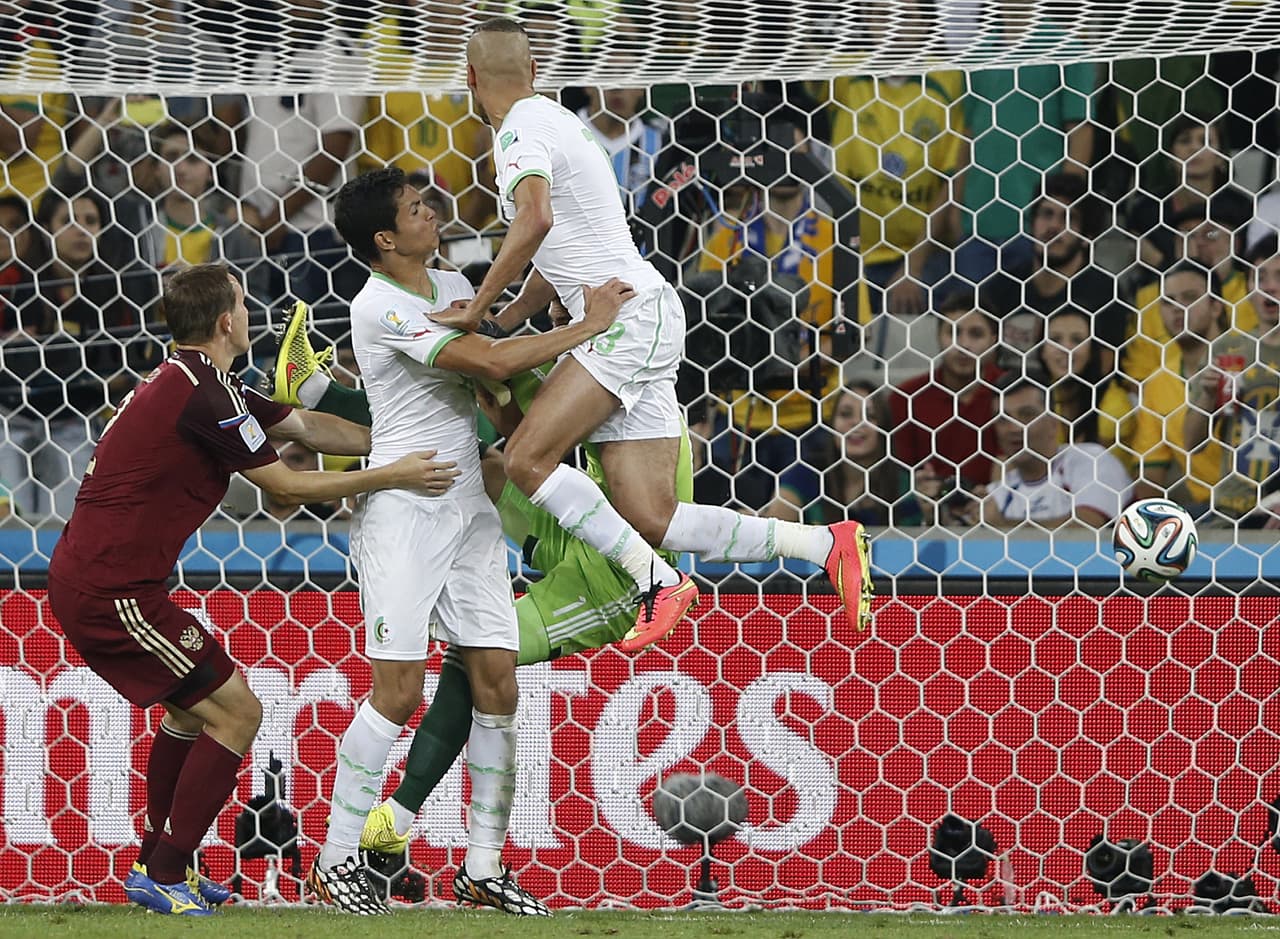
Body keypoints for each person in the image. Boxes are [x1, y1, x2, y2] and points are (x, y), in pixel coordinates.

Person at [436, 18, 871, 650]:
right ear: (534, 71)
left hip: (624, 323)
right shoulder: (558, 119)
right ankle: (822, 543)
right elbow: (558, 247)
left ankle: (655, 584)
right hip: (642, 312)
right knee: (649, 515)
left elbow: (533, 220)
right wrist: (511, 313)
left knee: (527, 459)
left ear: (471, 79)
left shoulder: (519, 131)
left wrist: (475, 311)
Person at [46, 262, 457, 916]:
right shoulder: (202, 394)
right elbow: (287, 486)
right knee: (238, 712)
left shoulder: (206, 383)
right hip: (111, 587)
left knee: (190, 711)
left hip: (108, 578)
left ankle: (156, 860)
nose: (248, 309)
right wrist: (394, 475)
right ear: (226, 321)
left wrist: (407, 444)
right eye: (242, 301)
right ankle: (166, 871)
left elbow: (309, 428)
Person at [265, 305, 700, 878]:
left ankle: (401, 814)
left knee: (479, 655)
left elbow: (525, 421)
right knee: (477, 458)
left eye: (566, 298)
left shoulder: (624, 370)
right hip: (570, 520)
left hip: (612, 578)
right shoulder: (587, 361)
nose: (555, 305)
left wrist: (491, 349)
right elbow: (515, 432)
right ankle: (315, 392)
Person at [305, 166, 630, 916]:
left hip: (470, 510)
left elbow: (488, 369)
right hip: (406, 511)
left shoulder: (449, 276)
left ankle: (483, 865)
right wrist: (589, 325)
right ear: (385, 239)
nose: (432, 212)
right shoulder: (379, 305)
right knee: (398, 691)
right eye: (417, 208)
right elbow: (484, 361)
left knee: (497, 680)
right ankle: (334, 858)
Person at [1183, 237, 1280, 525]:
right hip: (1231, 509)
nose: (1270, 287)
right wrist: (1207, 396)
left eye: (1279, 276)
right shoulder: (1226, 349)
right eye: (1260, 276)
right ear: (1248, 285)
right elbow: (1193, 442)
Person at [888, 293, 1003, 522]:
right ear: (939, 337)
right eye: (953, 332)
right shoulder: (906, 397)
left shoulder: (1013, 395)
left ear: (994, 339)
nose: (963, 345)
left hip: (1000, 517)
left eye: (976, 334)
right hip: (926, 518)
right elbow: (896, 476)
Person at [1130, 260, 1230, 510]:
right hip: (1208, 512)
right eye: (1168, 301)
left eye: (1190, 298)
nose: (1178, 308)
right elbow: (1149, 474)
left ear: (1216, 307)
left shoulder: (1252, 362)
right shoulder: (1157, 383)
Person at [981, 376, 1132, 529]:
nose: (1014, 428)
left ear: (1053, 424)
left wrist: (1002, 526)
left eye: (1027, 415)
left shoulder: (1092, 460)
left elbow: (1085, 529)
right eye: (1003, 419)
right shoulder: (1000, 492)